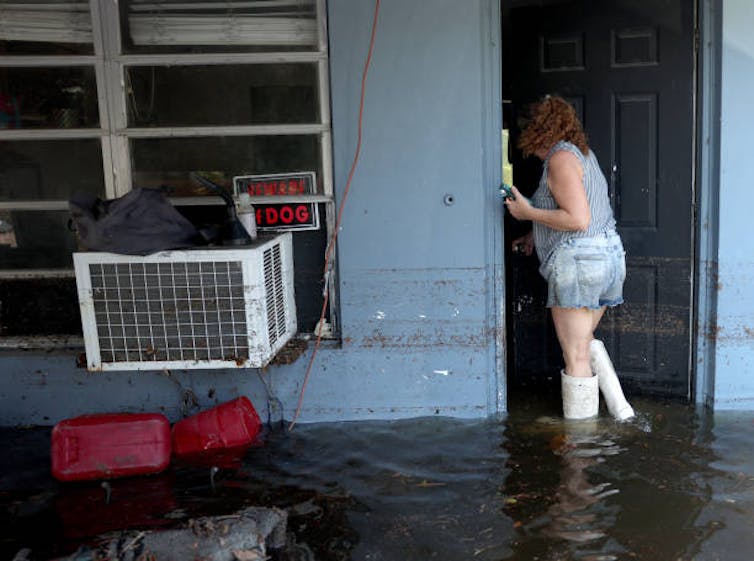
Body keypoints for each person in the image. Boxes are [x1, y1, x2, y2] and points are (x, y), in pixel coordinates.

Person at [505, 95, 634, 421]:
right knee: (584, 342)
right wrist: (535, 235)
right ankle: (622, 412)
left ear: (536, 130)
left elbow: (578, 219)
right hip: (606, 259)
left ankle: (580, 447)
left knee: (575, 354)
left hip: (580, 263)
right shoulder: (581, 156)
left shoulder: (560, 159)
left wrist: (526, 212)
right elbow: (579, 211)